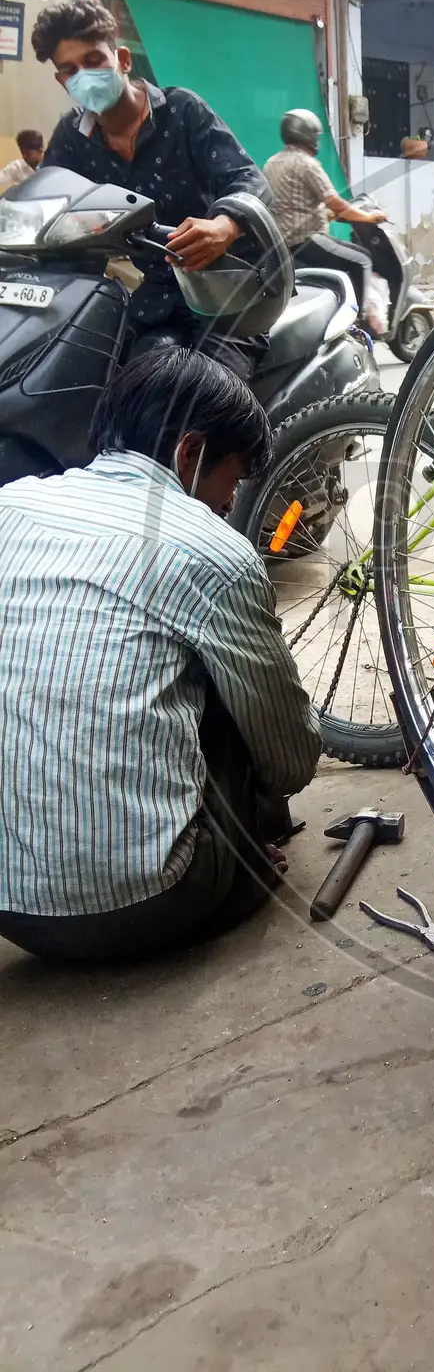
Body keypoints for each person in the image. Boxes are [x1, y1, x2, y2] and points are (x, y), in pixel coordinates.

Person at [0, 349, 323, 964]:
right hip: (152, 903)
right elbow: (288, 764)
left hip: (8, 912)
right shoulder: (209, 549)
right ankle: (233, 864)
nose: (230, 504)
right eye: (232, 480)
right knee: (230, 687)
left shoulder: (10, 507)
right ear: (189, 453)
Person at [31, 0, 272, 376]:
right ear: (62, 81)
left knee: (204, 405)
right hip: (149, 300)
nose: (84, 76)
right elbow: (40, 208)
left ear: (122, 60)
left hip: (223, 295)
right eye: (70, 70)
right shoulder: (70, 139)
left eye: (93, 61)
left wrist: (224, 226)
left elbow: (249, 179)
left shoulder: (182, 111)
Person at [263, 108, 383, 312]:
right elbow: (335, 202)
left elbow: (292, 205)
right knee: (362, 260)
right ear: (307, 134)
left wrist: (329, 215)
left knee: (356, 254)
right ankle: (359, 323)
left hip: (284, 244)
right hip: (306, 240)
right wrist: (369, 217)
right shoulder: (306, 163)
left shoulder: (271, 163)